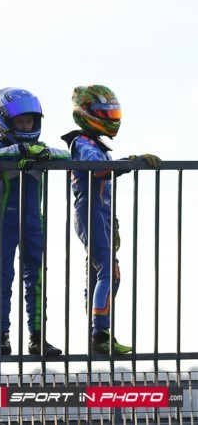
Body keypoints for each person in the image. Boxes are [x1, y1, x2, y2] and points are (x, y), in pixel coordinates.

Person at [62, 85, 160, 355]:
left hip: (100, 212)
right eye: (104, 113)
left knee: (101, 272)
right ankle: (100, 335)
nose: (110, 118)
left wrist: (112, 221)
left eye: (111, 112)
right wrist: (132, 162)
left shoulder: (94, 143)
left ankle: (98, 332)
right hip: (90, 211)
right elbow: (100, 170)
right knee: (108, 271)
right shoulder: (82, 142)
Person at [0, 88, 67, 358]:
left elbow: (65, 155)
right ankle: (0, 338)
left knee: (36, 278)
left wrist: (42, 154)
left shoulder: (42, 149)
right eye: (20, 122)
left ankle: (37, 338)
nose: (26, 126)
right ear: (6, 122)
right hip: (4, 223)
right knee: (2, 278)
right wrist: (21, 150)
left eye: (30, 121)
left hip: (33, 223)